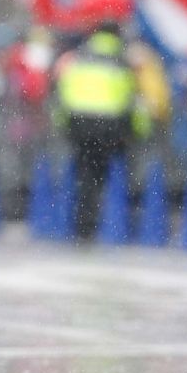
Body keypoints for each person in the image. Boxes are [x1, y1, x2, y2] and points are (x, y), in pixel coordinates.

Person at [52, 22, 149, 239]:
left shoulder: (78, 56)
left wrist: (64, 125)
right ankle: (117, 223)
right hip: (110, 126)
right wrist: (139, 130)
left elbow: (62, 94)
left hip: (79, 123)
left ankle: (83, 224)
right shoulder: (123, 61)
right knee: (114, 173)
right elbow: (134, 101)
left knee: (85, 173)